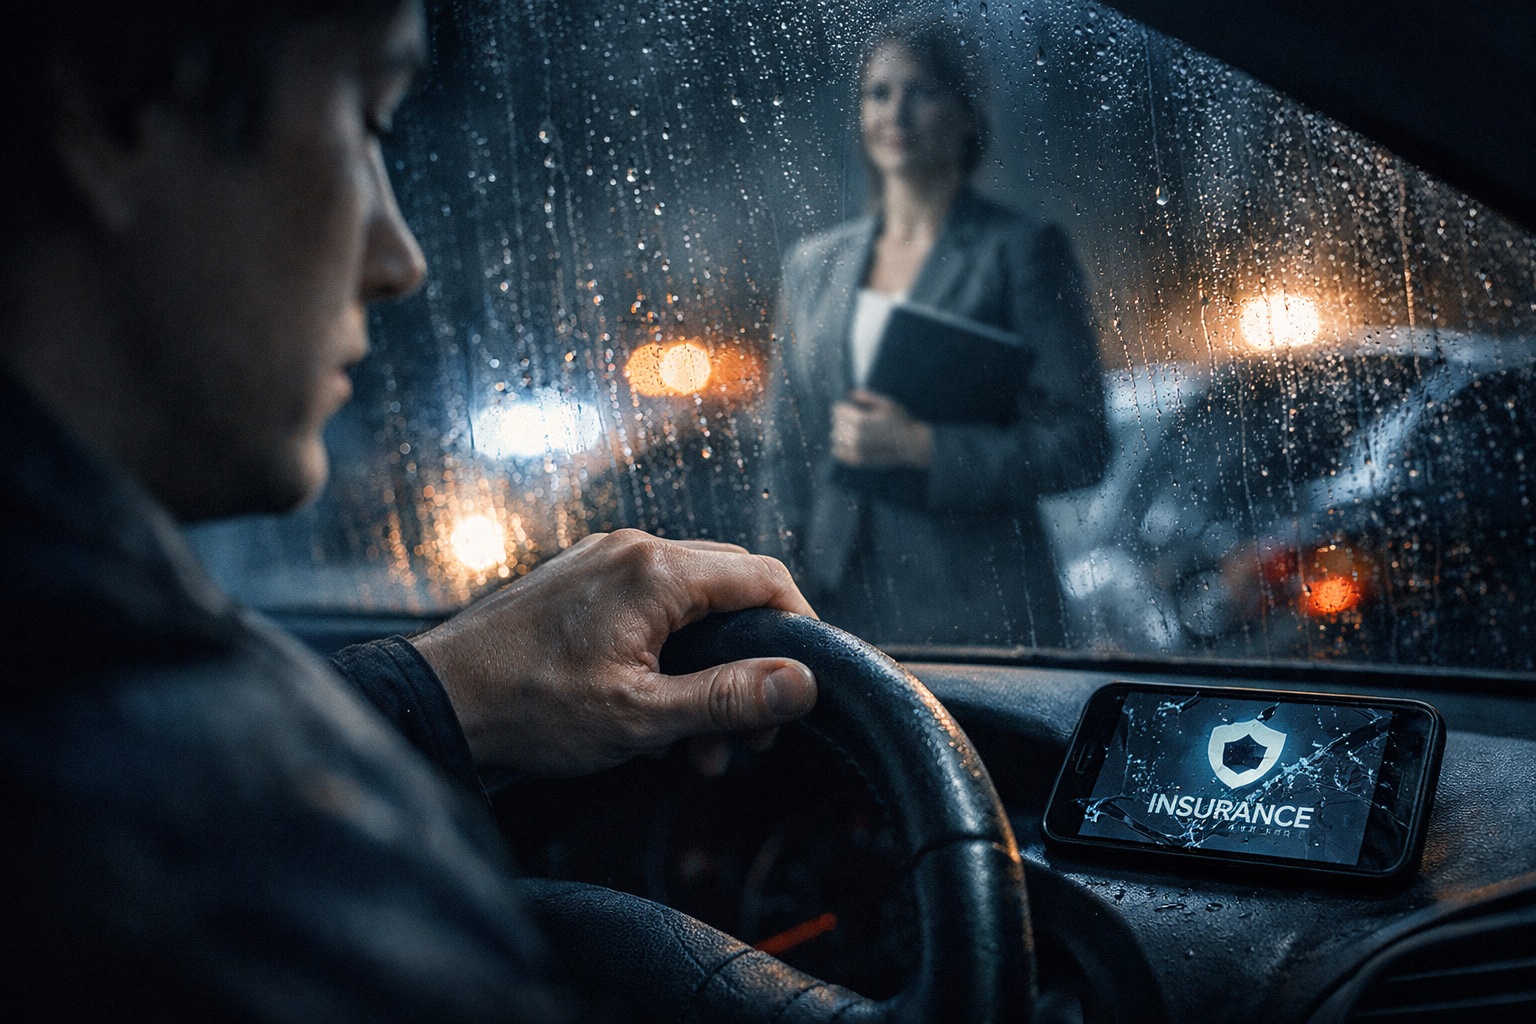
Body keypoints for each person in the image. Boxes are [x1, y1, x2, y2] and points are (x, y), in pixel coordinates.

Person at [0, 1, 818, 1019]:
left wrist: (439, 692)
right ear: (112, 108)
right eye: (369, 121)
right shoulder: (256, 909)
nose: (399, 258)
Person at [761, 18, 1109, 647]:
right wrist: (772, 601)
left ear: (966, 111)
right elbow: (783, 454)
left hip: (982, 615)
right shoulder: (812, 267)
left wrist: (926, 446)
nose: (897, 111)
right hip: (833, 608)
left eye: (922, 91)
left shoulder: (1022, 252)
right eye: (878, 92)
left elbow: (1080, 443)